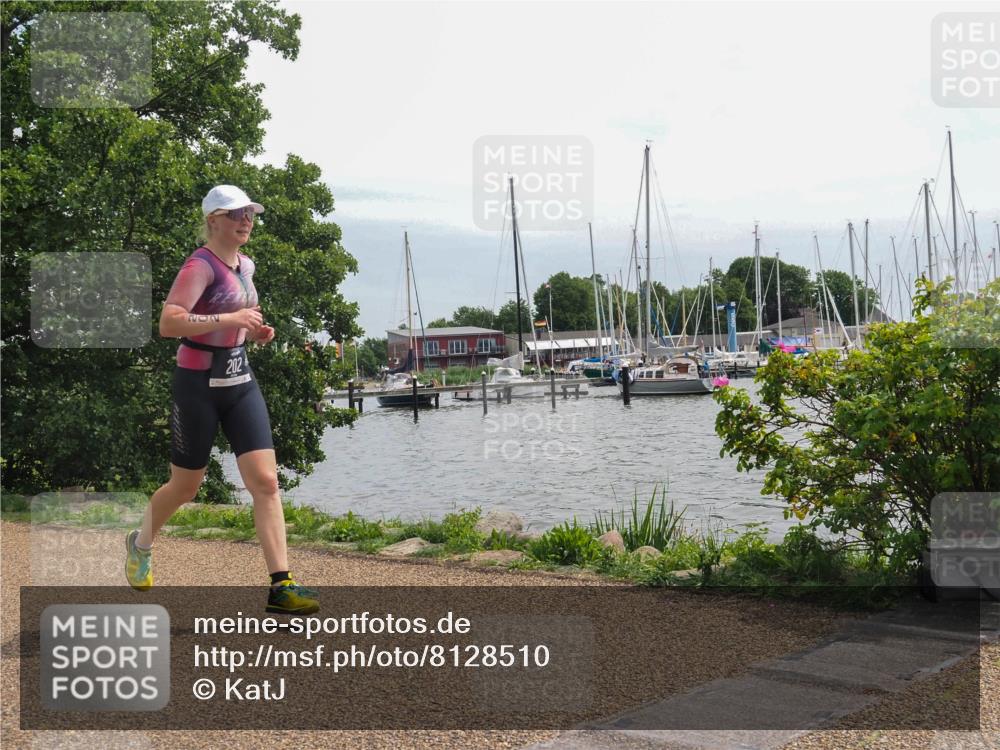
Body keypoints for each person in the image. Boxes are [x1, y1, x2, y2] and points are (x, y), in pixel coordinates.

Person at [125, 185, 318, 615]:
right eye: (235, 214)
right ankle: (140, 544)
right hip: (196, 385)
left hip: (239, 379)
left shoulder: (246, 265)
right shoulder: (200, 265)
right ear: (213, 220)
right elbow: (169, 322)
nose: (245, 220)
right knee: (186, 486)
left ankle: (281, 586)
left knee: (266, 482)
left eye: (249, 213)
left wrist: (255, 331)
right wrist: (231, 318)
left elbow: (247, 315)